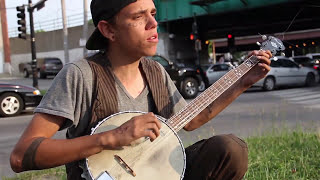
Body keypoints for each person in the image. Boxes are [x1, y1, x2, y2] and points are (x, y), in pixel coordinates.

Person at [10, 0, 272, 179]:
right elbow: (21, 157)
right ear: (108, 30)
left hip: (152, 172)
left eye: (153, 14)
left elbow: (191, 120)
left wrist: (242, 82)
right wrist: (111, 137)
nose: (153, 24)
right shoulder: (81, 75)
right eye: (138, 16)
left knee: (230, 149)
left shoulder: (155, 71)